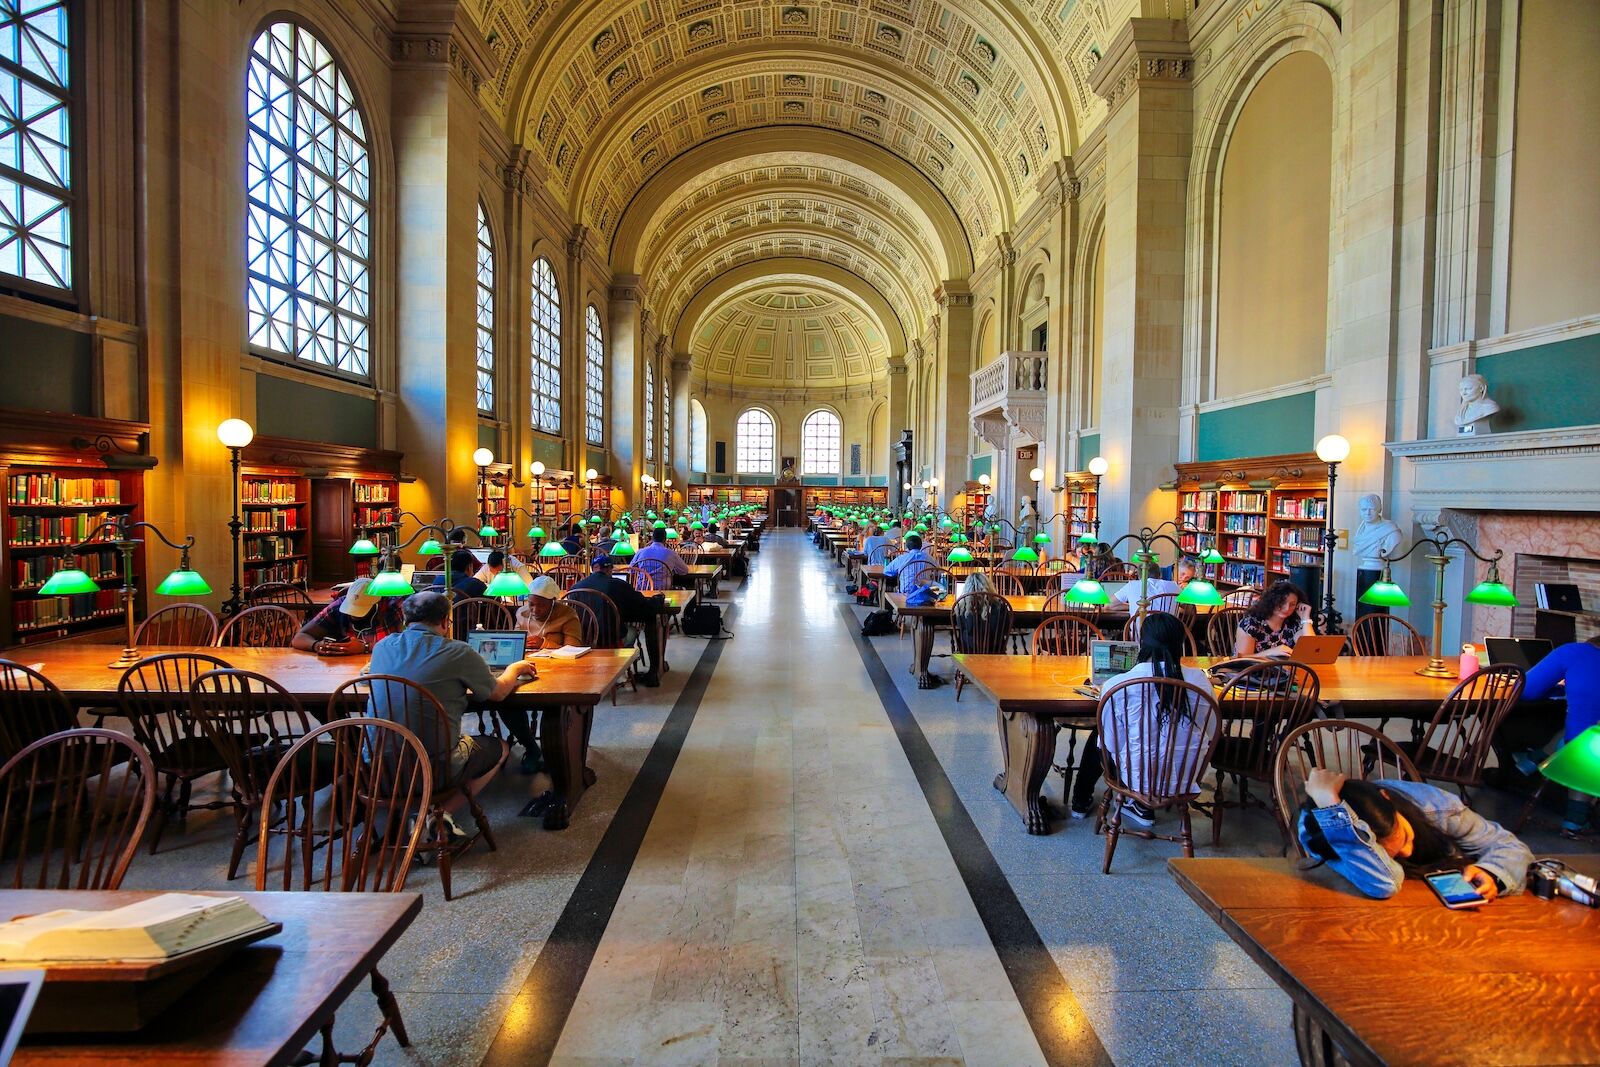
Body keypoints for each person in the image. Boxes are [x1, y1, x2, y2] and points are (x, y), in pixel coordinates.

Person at [366, 591, 530, 837]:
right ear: (444, 621)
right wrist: (515, 668)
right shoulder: (457, 651)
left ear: (405, 617)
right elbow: (496, 694)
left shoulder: (382, 647)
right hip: (433, 767)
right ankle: (438, 813)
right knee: (501, 747)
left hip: (379, 767)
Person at [1068, 612, 1217, 826]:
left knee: (1098, 738)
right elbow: (1210, 732)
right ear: (1180, 643)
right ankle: (1140, 805)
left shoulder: (1119, 685)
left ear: (1142, 642)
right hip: (1184, 777)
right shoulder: (1200, 681)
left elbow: (1110, 742)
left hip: (1136, 777)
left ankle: (1081, 802)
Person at [1297, 770, 1533, 900]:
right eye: (1393, 853)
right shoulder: (1317, 833)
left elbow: (1508, 845)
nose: (1408, 852)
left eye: (1407, 838)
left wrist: (1493, 873)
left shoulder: (1437, 807)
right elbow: (1384, 884)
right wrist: (1329, 804)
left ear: (1388, 799)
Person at [1510, 637, 1600, 835]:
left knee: (1579, 737)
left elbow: (1526, 690)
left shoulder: (1573, 652)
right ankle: (1533, 760)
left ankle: (1575, 820)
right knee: (1579, 730)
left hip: (1588, 752)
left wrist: (1561, 687)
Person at [571, 555, 665, 687]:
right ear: (610, 569)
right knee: (647, 620)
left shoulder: (575, 588)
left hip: (583, 641)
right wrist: (657, 600)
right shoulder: (618, 584)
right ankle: (653, 672)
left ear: (593, 569)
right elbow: (644, 606)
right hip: (612, 640)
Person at [291, 577, 404, 655]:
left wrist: (365, 647)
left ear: (377, 603)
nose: (353, 614)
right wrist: (317, 645)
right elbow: (299, 638)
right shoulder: (338, 606)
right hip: (345, 670)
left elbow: (410, 646)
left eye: (361, 609)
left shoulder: (394, 607)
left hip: (383, 668)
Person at [1235, 580, 1316, 656]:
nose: (1287, 608)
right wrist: (1270, 653)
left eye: (1292, 604)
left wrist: (1305, 619)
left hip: (1282, 670)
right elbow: (1242, 659)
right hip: (1252, 670)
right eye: (1282, 602)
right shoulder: (1251, 623)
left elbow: (1311, 650)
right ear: (1272, 601)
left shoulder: (1293, 623)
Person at [1111, 560, 1194, 614]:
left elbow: (1109, 605)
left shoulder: (1132, 585)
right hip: (1169, 638)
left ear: (1139, 577)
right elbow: (1191, 610)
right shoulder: (1174, 586)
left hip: (1140, 637)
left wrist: (1135, 606)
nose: (1183, 578)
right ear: (1160, 575)